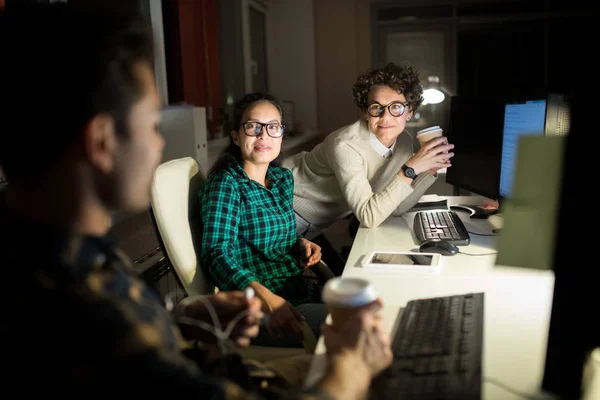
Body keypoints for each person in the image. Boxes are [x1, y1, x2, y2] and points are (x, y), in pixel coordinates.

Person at [0, 4, 393, 397]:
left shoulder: (80, 255)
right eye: (152, 125)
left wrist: (179, 319)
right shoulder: (87, 308)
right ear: (102, 142)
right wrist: (349, 369)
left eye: (274, 128)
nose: (158, 144)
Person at [283, 62, 454, 272]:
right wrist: (411, 167)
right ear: (365, 112)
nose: (386, 117)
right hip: (284, 208)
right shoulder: (346, 145)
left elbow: (396, 207)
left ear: (409, 111)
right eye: (376, 108)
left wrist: (429, 170)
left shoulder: (403, 142)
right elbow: (369, 216)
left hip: (318, 221)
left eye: (396, 107)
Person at [198, 92, 328, 348]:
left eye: (273, 127)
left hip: (300, 289)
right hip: (263, 309)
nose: (264, 135)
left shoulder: (281, 179)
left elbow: (269, 233)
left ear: (281, 134)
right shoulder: (226, 185)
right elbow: (216, 255)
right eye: (253, 127)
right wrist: (267, 298)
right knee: (359, 325)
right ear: (236, 136)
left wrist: (299, 242)